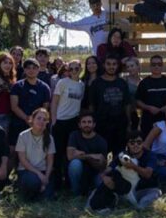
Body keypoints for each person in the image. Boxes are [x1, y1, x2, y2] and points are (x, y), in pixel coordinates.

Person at [87, 132, 162, 212]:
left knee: (156, 192)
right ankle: (91, 208)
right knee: (99, 182)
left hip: (143, 189)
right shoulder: (122, 155)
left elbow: (147, 174)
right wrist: (104, 177)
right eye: (132, 143)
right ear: (128, 144)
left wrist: (133, 166)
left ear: (143, 143)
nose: (136, 145)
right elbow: (109, 168)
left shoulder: (150, 155)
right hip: (124, 191)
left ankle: (139, 208)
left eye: (139, 142)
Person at [88, 55, 132, 157]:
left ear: (117, 66)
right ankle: (102, 173)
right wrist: (93, 123)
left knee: (120, 155)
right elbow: (91, 105)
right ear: (103, 65)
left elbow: (127, 104)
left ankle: (117, 173)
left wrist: (129, 123)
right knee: (102, 155)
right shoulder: (96, 83)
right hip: (102, 124)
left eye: (114, 64)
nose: (111, 67)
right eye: (108, 64)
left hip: (120, 124)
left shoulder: (122, 83)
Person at [50, 60, 85, 189]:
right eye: (71, 69)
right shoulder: (62, 82)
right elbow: (54, 102)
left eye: (76, 68)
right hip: (60, 121)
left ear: (81, 69)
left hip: (74, 122)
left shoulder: (82, 85)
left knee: (69, 153)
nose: (74, 71)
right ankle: (57, 183)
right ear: (67, 71)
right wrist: (54, 120)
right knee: (58, 153)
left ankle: (69, 183)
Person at [9, 58, 51, 154]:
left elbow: (45, 109)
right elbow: (14, 106)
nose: (31, 70)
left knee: (33, 152)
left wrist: (35, 121)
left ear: (38, 69)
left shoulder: (45, 88)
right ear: (24, 70)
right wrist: (27, 119)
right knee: (13, 151)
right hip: (18, 123)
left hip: (37, 125)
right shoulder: (17, 86)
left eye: (34, 68)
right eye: (28, 68)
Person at [16, 108, 55, 201]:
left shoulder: (49, 138)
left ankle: (38, 195)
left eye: (44, 119)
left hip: (43, 171)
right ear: (32, 119)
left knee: (49, 195)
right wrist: (39, 175)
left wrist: (46, 178)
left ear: (47, 123)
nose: (41, 121)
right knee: (33, 181)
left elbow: (50, 161)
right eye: (39, 118)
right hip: (27, 171)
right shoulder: (23, 136)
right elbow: (23, 160)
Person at [67, 111, 108, 197]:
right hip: (80, 170)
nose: (87, 125)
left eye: (89, 122)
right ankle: (76, 193)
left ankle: (91, 191)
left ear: (94, 124)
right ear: (79, 125)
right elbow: (70, 156)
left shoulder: (101, 141)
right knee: (75, 164)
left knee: (102, 184)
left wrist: (81, 155)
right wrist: (90, 156)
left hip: (95, 172)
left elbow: (102, 165)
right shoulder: (74, 135)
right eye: (84, 122)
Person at [135, 54, 166, 138]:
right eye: (154, 64)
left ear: (162, 66)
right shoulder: (144, 82)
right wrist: (148, 107)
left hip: (165, 119)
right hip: (148, 120)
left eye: (159, 64)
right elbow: (138, 101)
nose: (156, 66)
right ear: (150, 66)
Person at [124, 57, 142, 131]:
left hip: (139, 112)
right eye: (128, 67)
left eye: (132, 66)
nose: (130, 69)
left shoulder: (142, 81)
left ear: (138, 66)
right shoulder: (124, 81)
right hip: (126, 112)